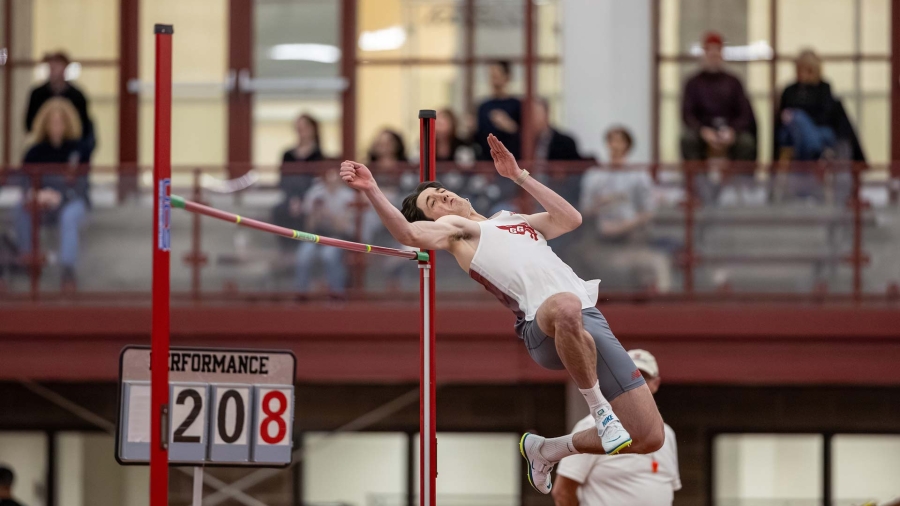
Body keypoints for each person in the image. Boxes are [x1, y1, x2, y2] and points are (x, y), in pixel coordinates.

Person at [340, 134, 665, 495]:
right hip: (541, 325)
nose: (443, 196)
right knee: (565, 305)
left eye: (441, 190)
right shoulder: (458, 233)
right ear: (436, 218)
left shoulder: (512, 218)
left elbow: (570, 219)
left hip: (588, 319)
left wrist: (518, 175)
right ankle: (600, 410)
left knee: (650, 437)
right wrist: (371, 188)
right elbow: (409, 232)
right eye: (432, 202)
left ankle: (548, 449)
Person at [553, 349, 681, 506]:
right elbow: (562, 492)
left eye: (643, 378)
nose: (637, 385)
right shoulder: (592, 426)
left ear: (656, 384)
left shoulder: (666, 433)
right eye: (630, 377)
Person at [578, 127, 671, 292]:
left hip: (632, 237)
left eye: (620, 141)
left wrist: (628, 224)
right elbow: (584, 209)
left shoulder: (639, 174)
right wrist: (602, 203)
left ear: (627, 145)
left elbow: (649, 210)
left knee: (658, 263)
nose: (615, 145)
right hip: (601, 237)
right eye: (612, 140)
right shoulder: (595, 174)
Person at [14, 98, 89, 290]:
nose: (56, 126)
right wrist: (36, 195)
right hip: (41, 201)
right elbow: (24, 180)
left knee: (69, 216)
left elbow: (81, 185)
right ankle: (30, 260)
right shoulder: (34, 152)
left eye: (60, 121)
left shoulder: (78, 150)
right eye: (52, 122)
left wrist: (61, 198)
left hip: (71, 201)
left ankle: (67, 270)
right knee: (20, 209)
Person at [681, 32, 756, 163]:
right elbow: (687, 114)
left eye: (717, 51)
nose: (713, 55)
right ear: (704, 53)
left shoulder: (734, 82)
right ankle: (696, 182)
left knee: (746, 143)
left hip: (730, 131)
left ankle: (740, 182)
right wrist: (703, 131)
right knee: (688, 140)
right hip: (703, 132)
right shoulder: (693, 83)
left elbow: (744, 114)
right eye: (710, 50)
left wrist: (732, 131)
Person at [294, 168, 356, 295]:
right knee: (302, 256)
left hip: (338, 237)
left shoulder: (348, 196)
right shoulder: (315, 193)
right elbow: (309, 227)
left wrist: (329, 215)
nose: (331, 181)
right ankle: (301, 295)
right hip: (316, 236)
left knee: (329, 256)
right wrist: (316, 215)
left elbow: (345, 228)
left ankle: (337, 295)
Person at [25, 51, 96, 161]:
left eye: (58, 66)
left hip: (70, 150)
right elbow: (29, 123)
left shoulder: (77, 95)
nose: (54, 70)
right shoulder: (37, 94)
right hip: (43, 149)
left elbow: (85, 126)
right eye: (51, 66)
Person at [272, 114, 324, 252]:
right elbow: (284, 179)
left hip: (311, 197)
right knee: (280, 210)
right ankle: (286, 250)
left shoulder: (319, 155)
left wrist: (303, 199)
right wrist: (293, 199)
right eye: (298, 128)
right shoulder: (288, 154)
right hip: (291, 197)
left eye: (305, 127)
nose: (302, 131)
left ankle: (308, 248)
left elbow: (318, 182)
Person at [475, 60, 522, 160]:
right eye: (491, 76)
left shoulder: (517, 105)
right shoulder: (483, 106)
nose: (493, 80)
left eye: (496, 75)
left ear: (507, 77)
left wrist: (509, 126)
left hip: (511, 160)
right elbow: (479, 136)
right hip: (487, 161)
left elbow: (525, 137)